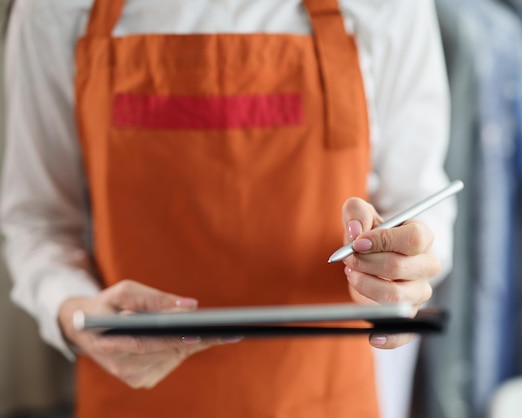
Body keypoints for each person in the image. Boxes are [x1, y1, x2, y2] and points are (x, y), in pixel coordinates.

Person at [1, 0, 455, 417]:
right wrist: (74, 311)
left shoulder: (388, 7)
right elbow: (35, 222)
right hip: (135, 395)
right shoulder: (55, 10)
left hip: (322, 397)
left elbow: (420, 205)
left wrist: (399, 269)